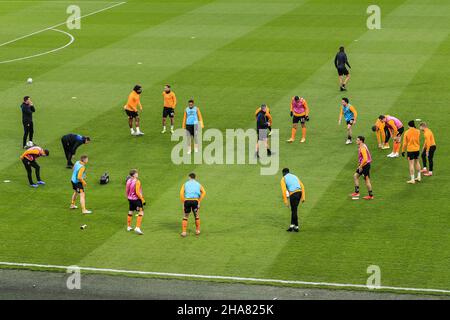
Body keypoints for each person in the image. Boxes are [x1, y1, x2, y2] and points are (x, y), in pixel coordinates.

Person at [180, 173, 206, 237]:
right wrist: (199, 200)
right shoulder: (198, 184)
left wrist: (183, 201)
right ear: (195, 177)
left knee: (186, 216)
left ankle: (184, 232)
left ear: (189, 177)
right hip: (195, 201)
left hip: (187, 201)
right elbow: (204, 192)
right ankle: (197, 230)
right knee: (196, 215)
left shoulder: (185, 184)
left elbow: (181, 193)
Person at [280, 168, 305, 232]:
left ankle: (296, 227)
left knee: (294, 210)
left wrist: (286, 201)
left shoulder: (283, 179)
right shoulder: (295, 176)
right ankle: (292, 226)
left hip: (293, 194)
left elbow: (284, 191)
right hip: (299, 193)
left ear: (283, 173)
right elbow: (302, 186)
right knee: (294, 209)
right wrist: (303, 197)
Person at [125, 169, 145, 235]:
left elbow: (127, 189)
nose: (137, 174)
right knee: (141, 212)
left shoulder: (128, 180)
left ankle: (128, 226)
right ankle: (137, 227)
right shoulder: (137, 181)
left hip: (130, 199)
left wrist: (128, 196)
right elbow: (137, 192)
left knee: (130, 211)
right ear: (134, 175)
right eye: (136, 173)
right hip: (136, 199)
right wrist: (142, 199)